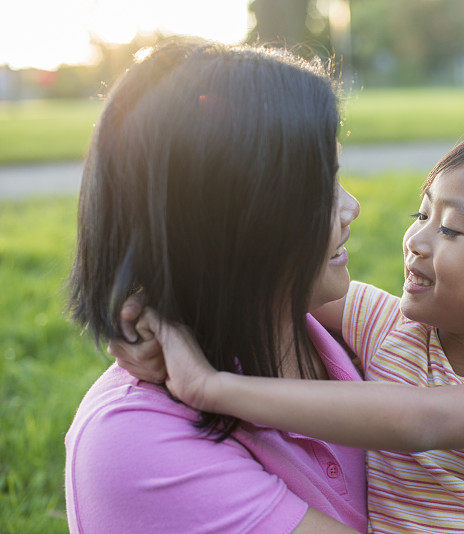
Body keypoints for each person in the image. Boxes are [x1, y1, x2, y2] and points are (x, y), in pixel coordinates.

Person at [116, 127, 464, 533]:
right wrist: (157, 308)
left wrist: (214, 389)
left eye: (452, 229)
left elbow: (423, 420)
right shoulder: (395, 328)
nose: (418, 241)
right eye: (421, 214)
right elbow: (266, 286)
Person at [65, 38, 367, 533]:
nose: (352, 207)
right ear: (238, 219)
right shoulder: (135, 442)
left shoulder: (339, 329)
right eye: (322, 187)